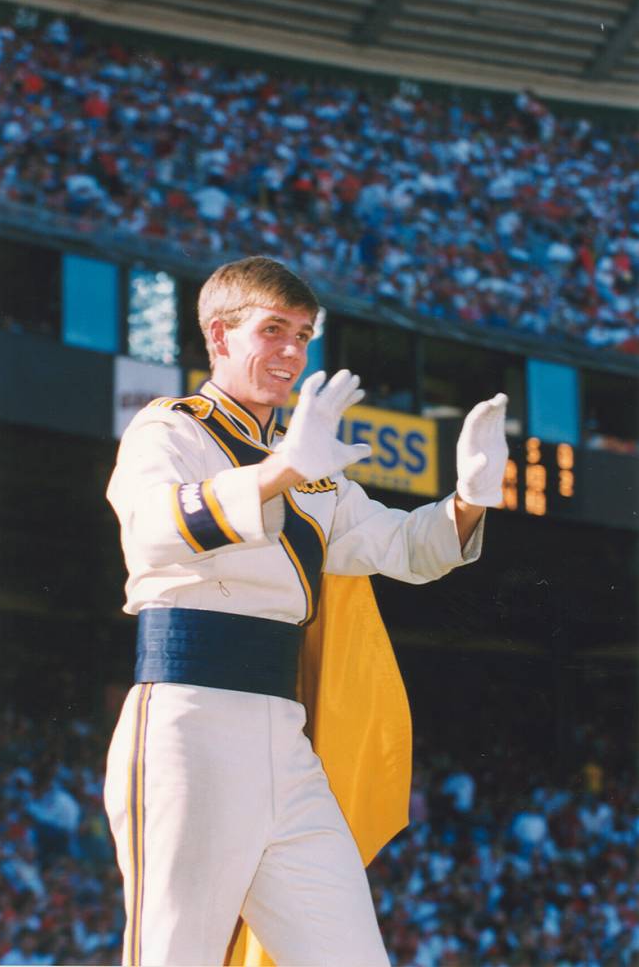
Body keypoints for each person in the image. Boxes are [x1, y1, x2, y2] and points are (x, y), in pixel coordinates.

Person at [104, 255, 508, 967]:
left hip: (285, 742)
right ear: (219, 337)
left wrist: (470, 495)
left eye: (303, 333)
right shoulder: (168, 427)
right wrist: (283, 470)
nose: (292, 350)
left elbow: (404, 549)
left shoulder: (310, 462)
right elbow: (155, 530)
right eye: (272, 330)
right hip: (187, 721)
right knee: (171, 955)